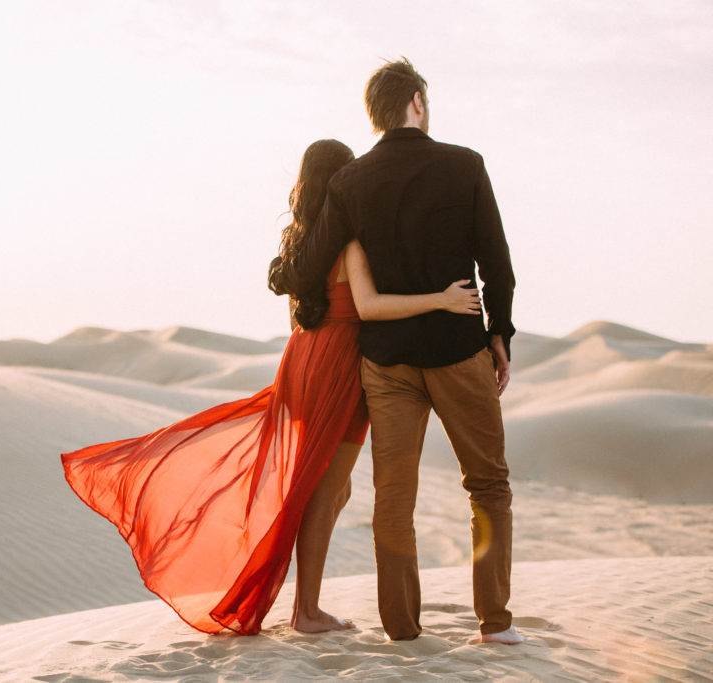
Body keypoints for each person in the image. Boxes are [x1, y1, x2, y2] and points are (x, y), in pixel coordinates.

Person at [62, 139, 481, 636]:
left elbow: (306, 312)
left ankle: (306, 605)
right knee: (325, 490)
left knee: (331, 487)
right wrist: (441, 300)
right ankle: (307, 612)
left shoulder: (298, 244)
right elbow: (367, 308)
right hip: (338, 366)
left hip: (303, 357)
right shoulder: (347, 242)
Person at [269, 58, 522, 644]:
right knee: (487, 486)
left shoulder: (350, 183)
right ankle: (495, 623)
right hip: (459, 349)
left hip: (384, 363)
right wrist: (500, 335)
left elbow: (306, 268)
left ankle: (401, 629)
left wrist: (279, 271)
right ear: (416, 102)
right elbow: (497, 264)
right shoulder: (466, 165)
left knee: (394, 497)